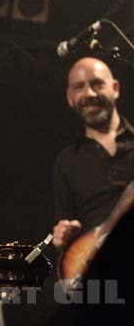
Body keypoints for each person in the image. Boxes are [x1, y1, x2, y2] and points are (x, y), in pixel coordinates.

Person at [52, 56, 134, 251]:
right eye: (79, 87)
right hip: (98, 272)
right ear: (69, 98)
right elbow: (64, 226)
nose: (89, 93)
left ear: (115, 89)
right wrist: (62, 235)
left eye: (97, 84)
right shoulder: (66, 161)